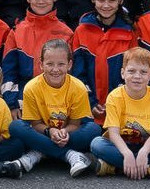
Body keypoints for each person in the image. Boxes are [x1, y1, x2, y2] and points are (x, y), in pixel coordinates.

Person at [9, 37, 103, 176]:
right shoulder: (31, 88)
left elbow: (75, 123)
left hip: (68, 134)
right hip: (44, 132)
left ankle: (39, 153)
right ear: (41, 64)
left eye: (61, 64)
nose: (55, 69)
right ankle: (71, 155)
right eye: (50, 64)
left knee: (94, 129)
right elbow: (35, 124)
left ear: (69, 64)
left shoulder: (78, 87)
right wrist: (50, 131)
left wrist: (63, 132)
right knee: (15, 126)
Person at [90, 46, 150, 179]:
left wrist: (143, 152)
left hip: (147, 147)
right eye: (131, 71)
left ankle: (115, 168)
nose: (137, 76)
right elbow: (113, 134)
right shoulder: (114, 96)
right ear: (122, 73)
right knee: (97, 144)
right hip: (120, 147)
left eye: (143, 72)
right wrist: (126, 153)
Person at [71, 0, 139, 101]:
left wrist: (117, 101)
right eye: (101, 0)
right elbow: (77, 74)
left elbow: (133, 73)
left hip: (121, 105)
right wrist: (90, 102)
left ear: (120, 0)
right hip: (87, 107)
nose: (106, 5)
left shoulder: (130, 32)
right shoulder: (82, 30)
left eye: (112, 1)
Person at [7, 0, 73, 85]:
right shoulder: (16, 32)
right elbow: (9, 73)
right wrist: (14, 101)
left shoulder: (67, 33)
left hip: (56, 99)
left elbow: (70, 74)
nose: (41, 1)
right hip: (23, 100)